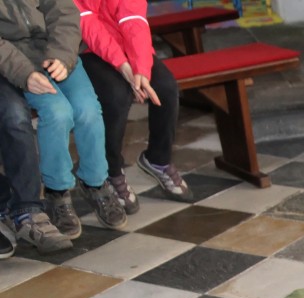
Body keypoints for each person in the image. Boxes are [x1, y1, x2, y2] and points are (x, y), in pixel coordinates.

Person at [0, 0, 127, 246]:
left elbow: (65, 12)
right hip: (19, 61)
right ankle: (57, 191)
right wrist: (24, 73)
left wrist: (62, 55)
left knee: (88, 111)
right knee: (57, 113)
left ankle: (96, 182)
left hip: (57, 49)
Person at [75, 0, 192, 212]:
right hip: (87, 47)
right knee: (116, 96)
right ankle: (111, 170)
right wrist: (122, 66)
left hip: (127, 45)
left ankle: (157, 159)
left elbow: (134, 19)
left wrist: (141, 70)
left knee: (165, 88)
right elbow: (87, 22)